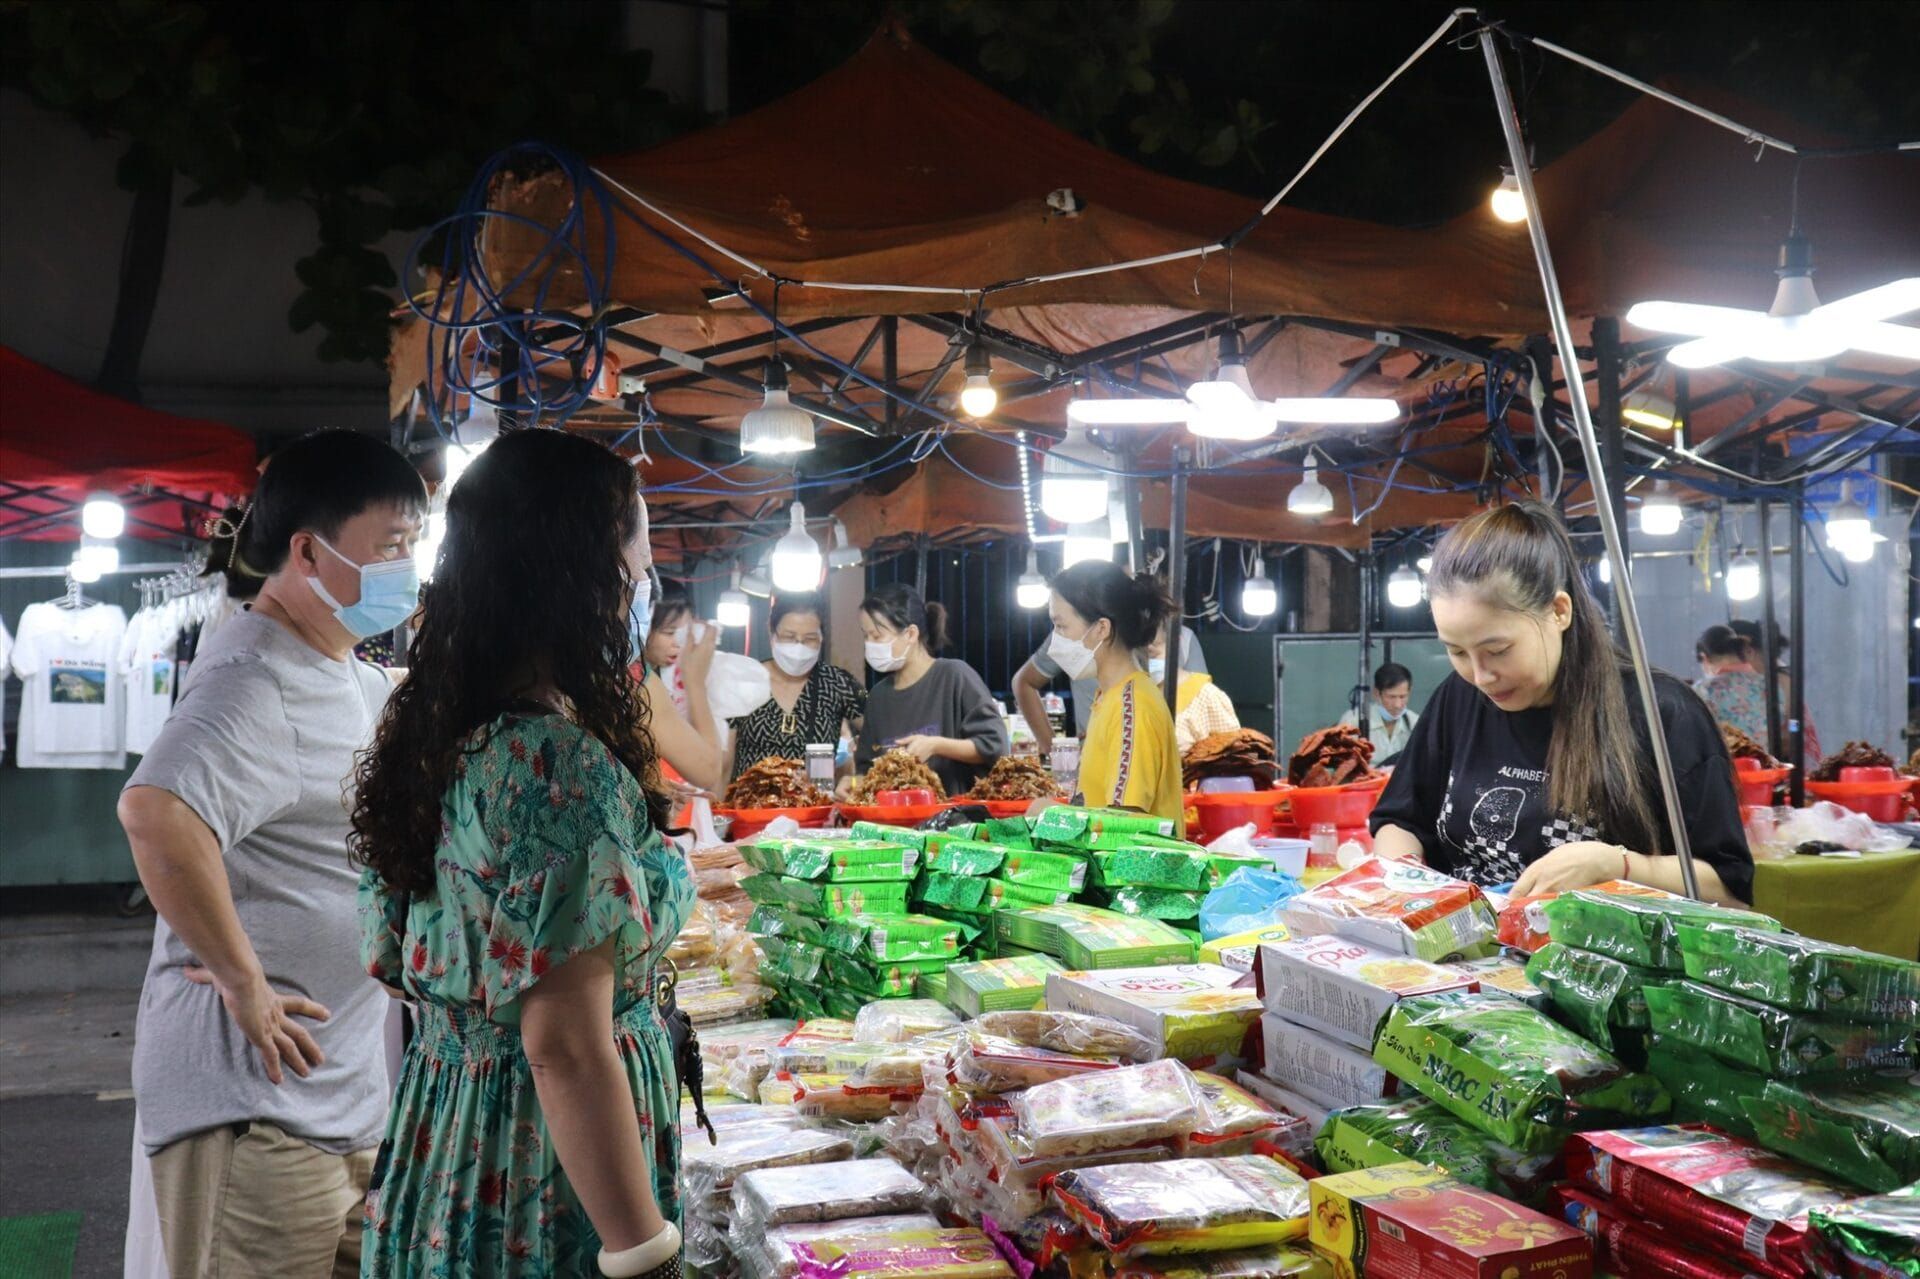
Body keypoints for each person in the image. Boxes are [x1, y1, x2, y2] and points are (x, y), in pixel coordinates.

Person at [351, 429, 691, 1278]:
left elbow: (394, 952)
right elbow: (565, 1048)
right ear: (583, 571)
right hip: (541, 1169)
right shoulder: (556, 770)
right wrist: (641, 1249)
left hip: (450, 1138)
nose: (642, 582)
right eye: (637, 557)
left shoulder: (437, 732)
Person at [117, 429, 427, 1277]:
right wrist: (245, 981)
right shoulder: (253, 679)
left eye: (415, 543)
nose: (409, 564)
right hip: (256, 1107)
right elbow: (155, 811)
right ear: (308, 552)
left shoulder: (346, 672)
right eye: (392, 544)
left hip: (342, 1102)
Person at [1370, 502, 1754, 905]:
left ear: (1558, 612)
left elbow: (1730, 890)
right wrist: (1405, 881)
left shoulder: (1662, 713)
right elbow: (1400, 821)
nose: (1481, 676)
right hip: (1470, 957)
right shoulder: (1460, 696)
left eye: (1498, 650)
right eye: (1457, 652)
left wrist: (1617, 865)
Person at [1047, 561, 1185, 830]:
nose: (1055, 639)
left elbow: (1124, 826)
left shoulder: (1133, 708)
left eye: (1061, 626)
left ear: (1101, 629)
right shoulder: (1107, 697)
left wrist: (1053, 815)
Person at [854, 583, 1009, 796]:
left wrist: (936, 745)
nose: (869, 644)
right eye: (866, 636)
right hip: (895, 824)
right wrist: (852, 783)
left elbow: (995, 746)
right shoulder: (878, 697)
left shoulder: (954, 676)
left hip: (955, 822)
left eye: (877, 636)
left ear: (910, 634)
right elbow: (866, 769)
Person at [1015, 614, 1209, 755]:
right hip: (1093, 760)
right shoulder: (1073, 638)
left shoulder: (1181, 639)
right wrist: (1056, 752)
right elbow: (1024, 682)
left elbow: (1201, 702)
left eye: (1061, 624)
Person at [727, 593, 866, 781]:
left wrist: (857, 770)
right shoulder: (743, 681)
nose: (799, 647)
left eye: (810, 639)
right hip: (750, 805)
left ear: (822, 637)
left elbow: (878, 730)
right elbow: (722, 764)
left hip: (816, 805)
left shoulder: (838, 683)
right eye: (789, 637)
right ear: (771, 630)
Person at [635, 577, 725, 794]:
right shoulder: (638, 681)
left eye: (683, 633)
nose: (678, 642)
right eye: (668, 632)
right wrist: (694, 680)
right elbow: (708, 771)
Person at [1728, 617, 1820, 762]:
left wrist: (1790, 732)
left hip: (1783, 759)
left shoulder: (1783, 680)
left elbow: (1795, 720)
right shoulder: (1741, 683)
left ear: (1748, 651)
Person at [1144, 628, 1240, 754]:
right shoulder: (1129, 696)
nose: (1147, 661)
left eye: (1154, 654)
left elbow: (1237, 762)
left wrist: (1193, 754)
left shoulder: (1206, 696)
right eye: (1139, 655)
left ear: (1176, 644)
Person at [1693, 624, 1769, 742]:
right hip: (1766, 759)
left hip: (1724, 759)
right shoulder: (1770, 686)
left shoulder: (1702, 690)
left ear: (1704, 658)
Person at [1338, 662, 1420, 765]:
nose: (1397, 705)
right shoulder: (1353, 722)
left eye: (1402, 697)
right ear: (1376, 693)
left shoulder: (1415, 723)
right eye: (1391, 697)